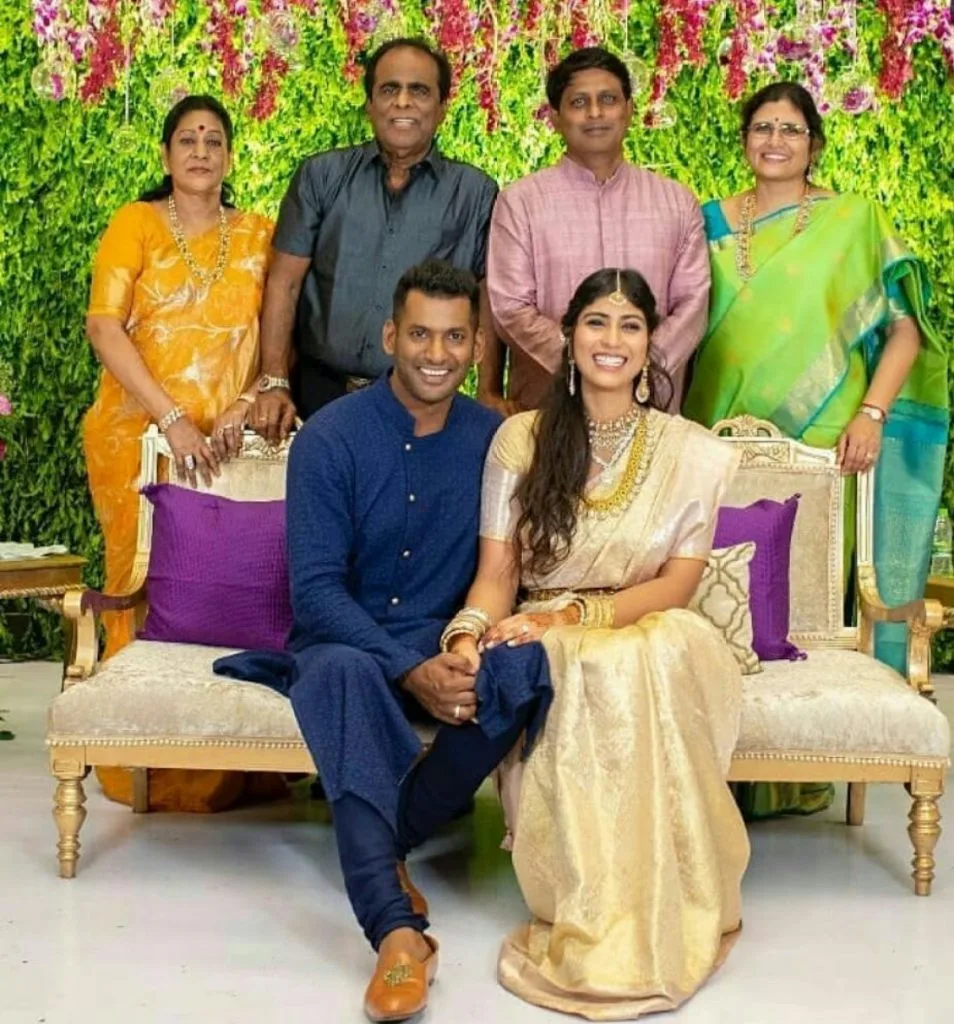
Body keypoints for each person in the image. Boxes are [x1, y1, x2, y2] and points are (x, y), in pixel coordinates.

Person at [216, 261, 551, 1023]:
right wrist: (407, 668)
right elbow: (317, 594)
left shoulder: (495, 442)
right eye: (421, 334)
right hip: (347, 645)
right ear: (391, 336)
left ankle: (382, 834)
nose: (437, 353)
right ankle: (397, 932)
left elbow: (506, 568)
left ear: (475, 346)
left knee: (527, 668)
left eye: (455, 338)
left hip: (448, 641)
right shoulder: (330, 436)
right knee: (341, 675)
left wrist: (461, 650)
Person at [443, 267, 750, 1018]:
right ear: (569, 336)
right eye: (597, 323)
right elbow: (497, 576)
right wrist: (468, 632)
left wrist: (573, 617)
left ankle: (659, 901)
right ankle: (592, 899)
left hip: (650, 627)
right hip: (544, 634)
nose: (612, 340)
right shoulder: (521, 439)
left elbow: (677, 586)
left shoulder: (688, 450)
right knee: (573, 664)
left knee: (636, 654)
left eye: (630, 326)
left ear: (650, 345)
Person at [682, 82, 948, 819]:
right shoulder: (705, 222)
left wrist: (872, 412)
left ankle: (797, 774)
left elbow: (906, 331)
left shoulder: (853, 221)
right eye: (762, 127)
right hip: (715, 432)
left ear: (814, 144)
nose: (775, 140)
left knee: (796, 597)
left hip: (825, 439)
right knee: (719, 591)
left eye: (791, 129)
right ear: (745, 139)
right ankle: (717, 765)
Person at [83, 95, 281, 813]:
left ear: (229, 157)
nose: (200, 150)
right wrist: (171, 420)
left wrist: (244, 403)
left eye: (214, 140)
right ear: (166, 155)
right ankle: (140, 762)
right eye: (187, 139)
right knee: (142, 589)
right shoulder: (135, 224)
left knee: (226, 593)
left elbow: (279, 338)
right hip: (136, 443)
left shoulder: (258, 235)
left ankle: (234, 761)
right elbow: (104, 326)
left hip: (230, 451)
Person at [251, 37, 500, 436]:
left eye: (419, 91)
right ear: (370, 104)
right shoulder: (322, 176)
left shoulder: (475, 194)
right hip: (316, 398)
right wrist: (274, 382)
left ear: (442, 108)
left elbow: (487, 299)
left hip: (424, 404)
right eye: (389, 89)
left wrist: (488, 390)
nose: (402, 102)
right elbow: (285, 282)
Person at [486, 46, 710, 412]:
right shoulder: (520, 203)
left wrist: (637, 365)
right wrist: (587, 363)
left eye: (608, 99)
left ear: (629, 110)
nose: (595, 113)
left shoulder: (677, 202)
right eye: (579, 102)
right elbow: (511, 307)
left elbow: (692, 304)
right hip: (550, 411)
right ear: (555, 117)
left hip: (650, 411)